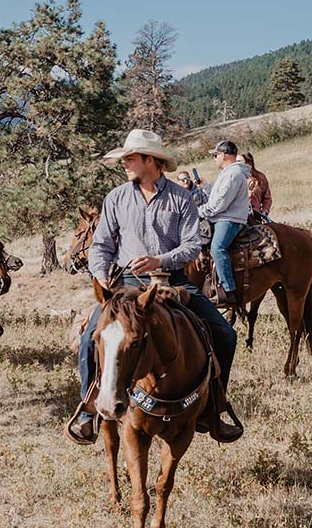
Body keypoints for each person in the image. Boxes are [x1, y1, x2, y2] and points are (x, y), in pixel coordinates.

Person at [68, 129, 241, 444]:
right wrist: (101, 274)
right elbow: (101, 245)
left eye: (130, 158)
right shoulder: (117, 198)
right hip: (125, 283)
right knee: (90, 339)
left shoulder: (181, 197)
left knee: (225, 335)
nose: (125, 164)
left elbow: (192, 246)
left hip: (170, 280)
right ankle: (88, 411)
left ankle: (212, 408)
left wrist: (158, 260)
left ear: (150, 160)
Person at [199, 140, 251, 308]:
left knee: (217, 247)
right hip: (221, 217)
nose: (214, 158)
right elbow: (216, 198)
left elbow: (219, 204)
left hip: (229, 219)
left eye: (216, 155)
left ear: (224, 155)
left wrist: (198, 212)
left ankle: (229, 291)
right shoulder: (228, 173)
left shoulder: (233, 174)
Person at [239, 151, 273, 218]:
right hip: (239, 214)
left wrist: (264, 212)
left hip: (256, 213)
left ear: (248, 163)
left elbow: (267, 198)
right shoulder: (235, 177)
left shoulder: (260, 177)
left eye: (240, 161)